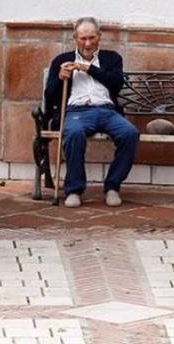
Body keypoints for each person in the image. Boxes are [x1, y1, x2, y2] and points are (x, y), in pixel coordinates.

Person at [42, 17, 140, 207]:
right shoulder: (62, 60)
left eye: (92, 38)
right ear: (75, 38)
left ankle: (112, 186)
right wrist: (59, 77)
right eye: (83, 38)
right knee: (74, 134)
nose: (87, 43)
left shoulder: (112, 58)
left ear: (99, 37)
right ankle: (74, 190)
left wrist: (89, 69)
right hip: (76, 112)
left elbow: (116, 83)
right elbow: (51, 96)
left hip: (107, 111)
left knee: (130, 134)